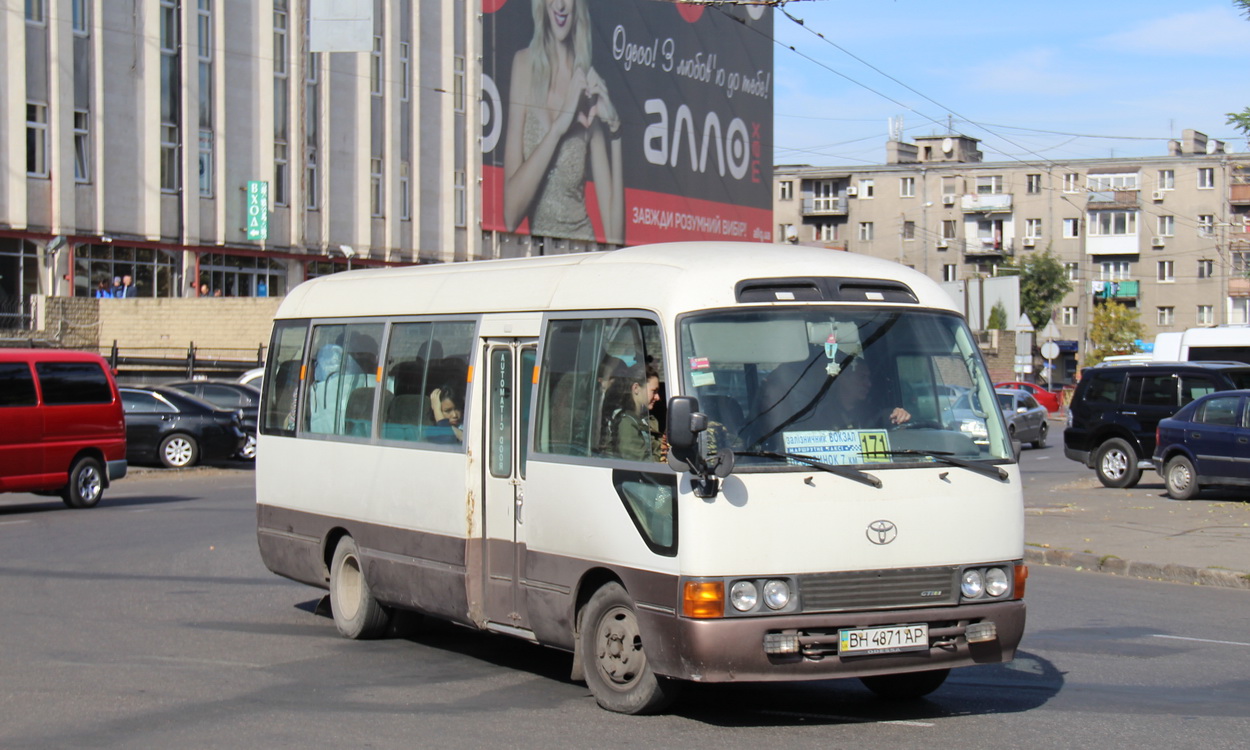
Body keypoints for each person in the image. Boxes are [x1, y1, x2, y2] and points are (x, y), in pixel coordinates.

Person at [503, 0, 623, 244]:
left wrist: (617, 132)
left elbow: (615, 235)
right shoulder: (524, 66)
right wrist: (559, 127)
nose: (560, 5)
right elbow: (509, 216)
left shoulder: (588, 86)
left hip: (581, 258)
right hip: (540, 262)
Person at [602, 363, 664, 461]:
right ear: (636, 388)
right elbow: (642, 465)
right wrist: (662, 452)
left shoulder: (642, 419)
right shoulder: (626, 423)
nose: (657, 397)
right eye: (654, 391)